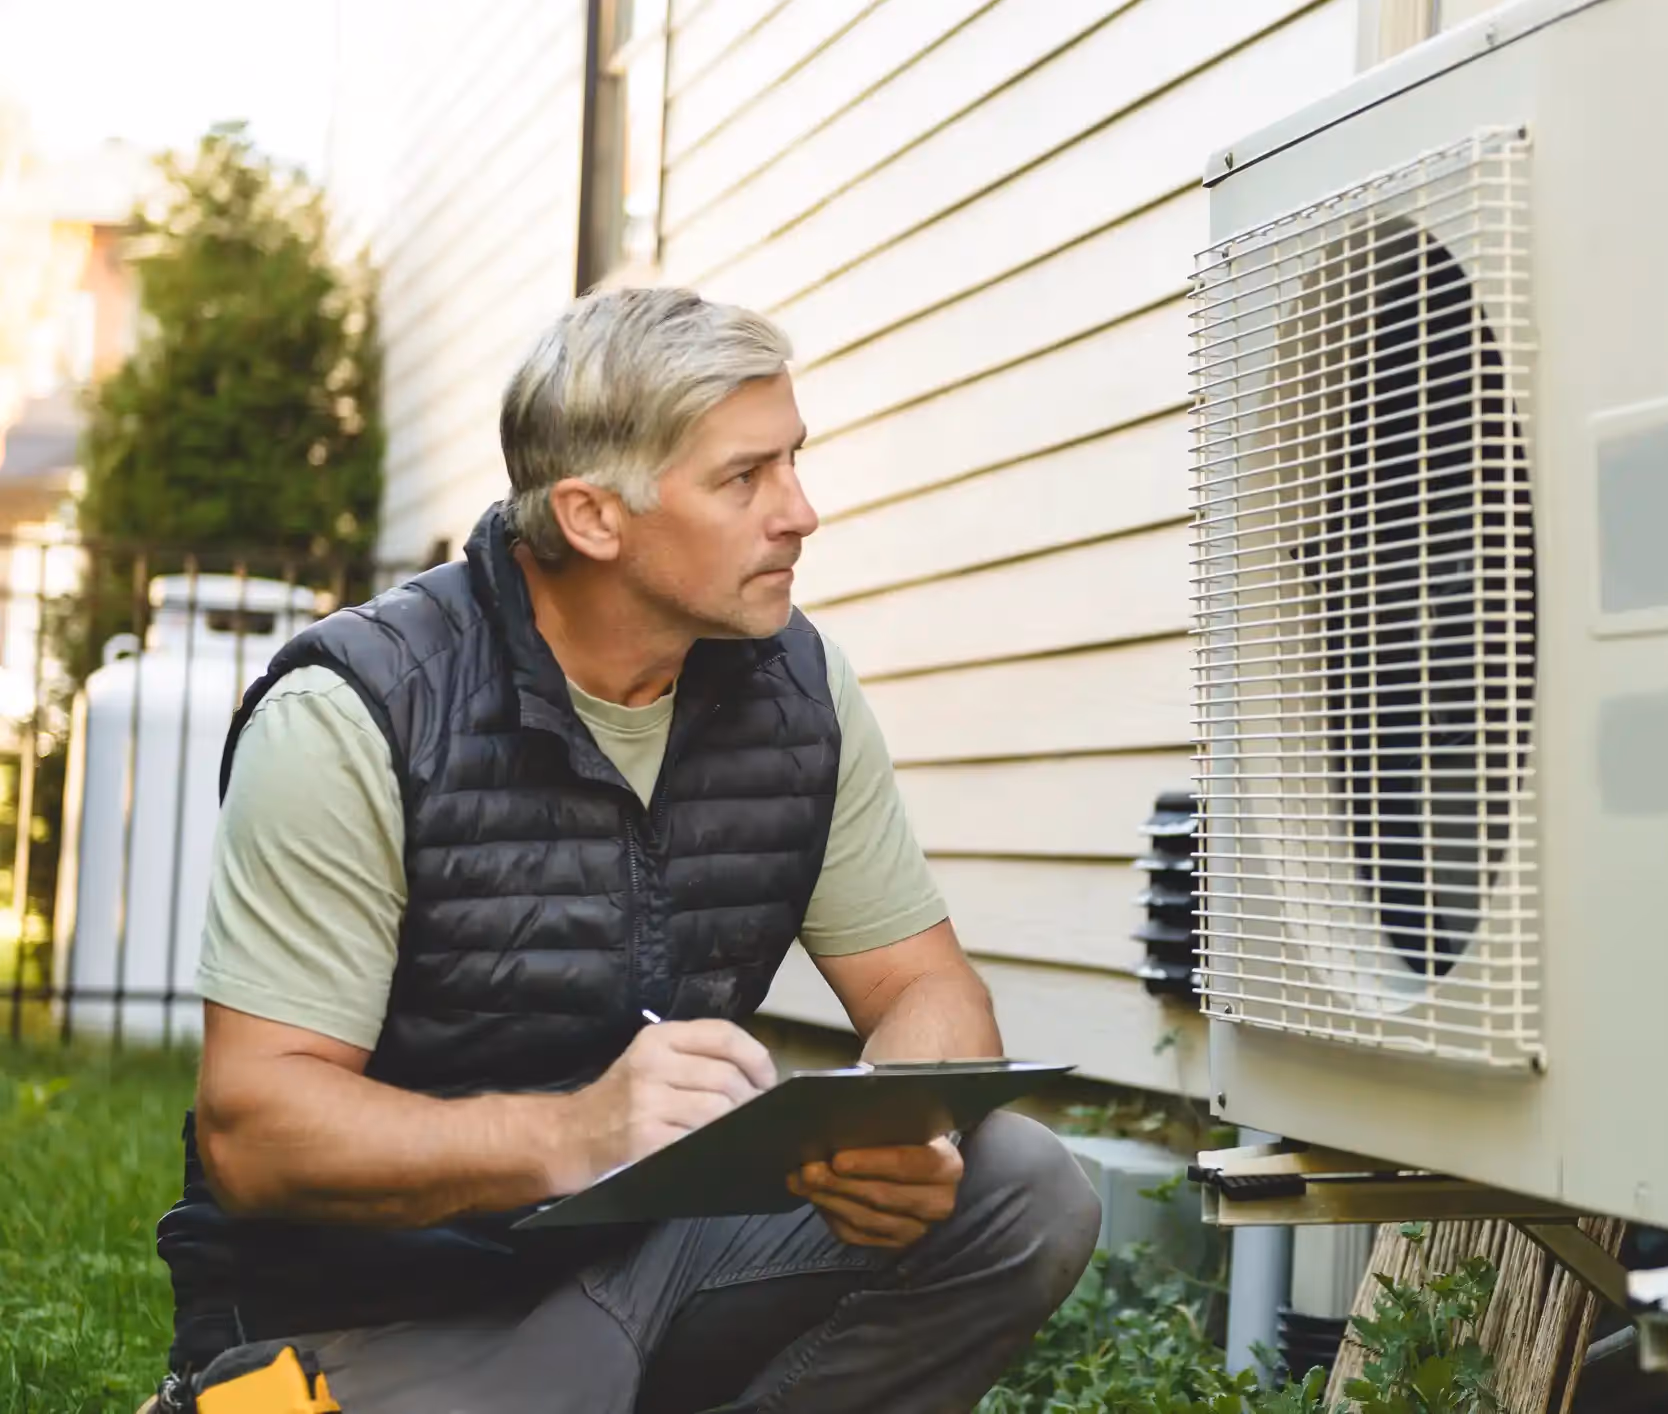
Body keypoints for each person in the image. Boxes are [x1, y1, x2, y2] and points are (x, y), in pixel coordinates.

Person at [149, 287, 1103, 1414]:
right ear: (594, 517)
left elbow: (927, 985)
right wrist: (575, 1133)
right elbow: (258, 1129)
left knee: (1020, 1187)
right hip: (370, 1313)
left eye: (794, 460)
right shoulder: (357, 712)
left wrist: (894, 1132)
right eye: (743, 478)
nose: (801, 512)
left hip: (641, 1274)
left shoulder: (796, 690)